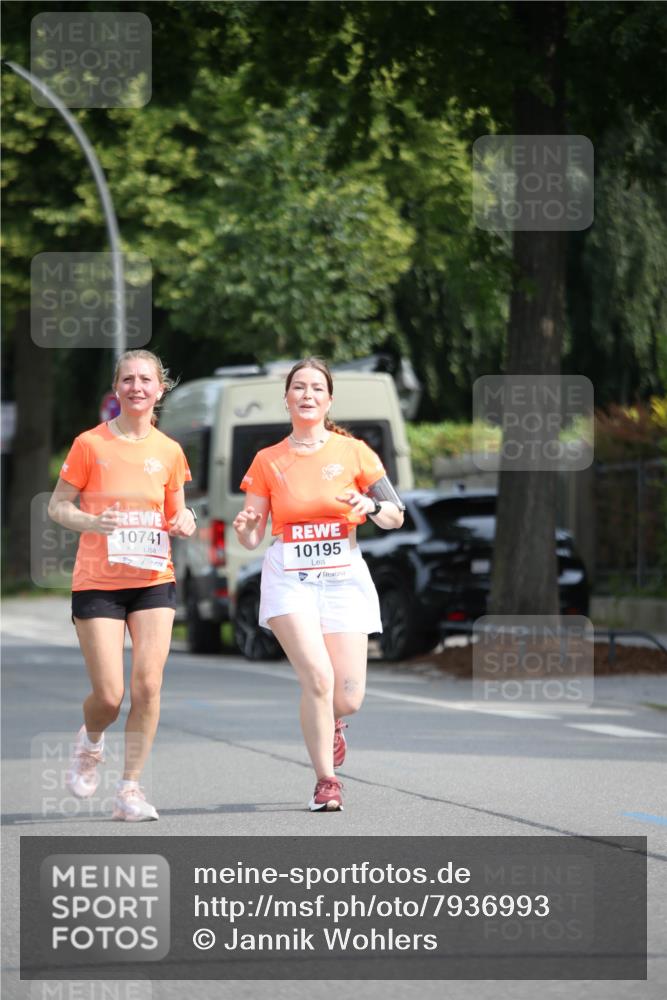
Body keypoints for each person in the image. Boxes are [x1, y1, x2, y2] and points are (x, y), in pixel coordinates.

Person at [233, 357, 405, 811]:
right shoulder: (268, 460)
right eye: (298, 387)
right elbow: (253, 533)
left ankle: (334, 723)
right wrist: (247, 527)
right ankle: (326, 782)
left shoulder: (355, 452)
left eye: (316, 388)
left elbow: (395, 515)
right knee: (318, 677)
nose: (307, 395)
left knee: (347, 698)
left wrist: (368, 505)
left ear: (328, 400)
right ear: (286, 397)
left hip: (344, 576)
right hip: (290, 577)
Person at [48, 349, 196, 821]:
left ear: (160, 388)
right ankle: (91, 742)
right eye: (128, 379)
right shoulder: (90, 445)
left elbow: (178, 511)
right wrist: (93, 522)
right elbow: (58, 507)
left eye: (145, 379)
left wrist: (186, 521)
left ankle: (129, 790)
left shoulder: (169, 451)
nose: (136, 387)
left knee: (149, 685)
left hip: (154, 578)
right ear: (117, 389)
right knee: (110, 696)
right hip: (99, 583)